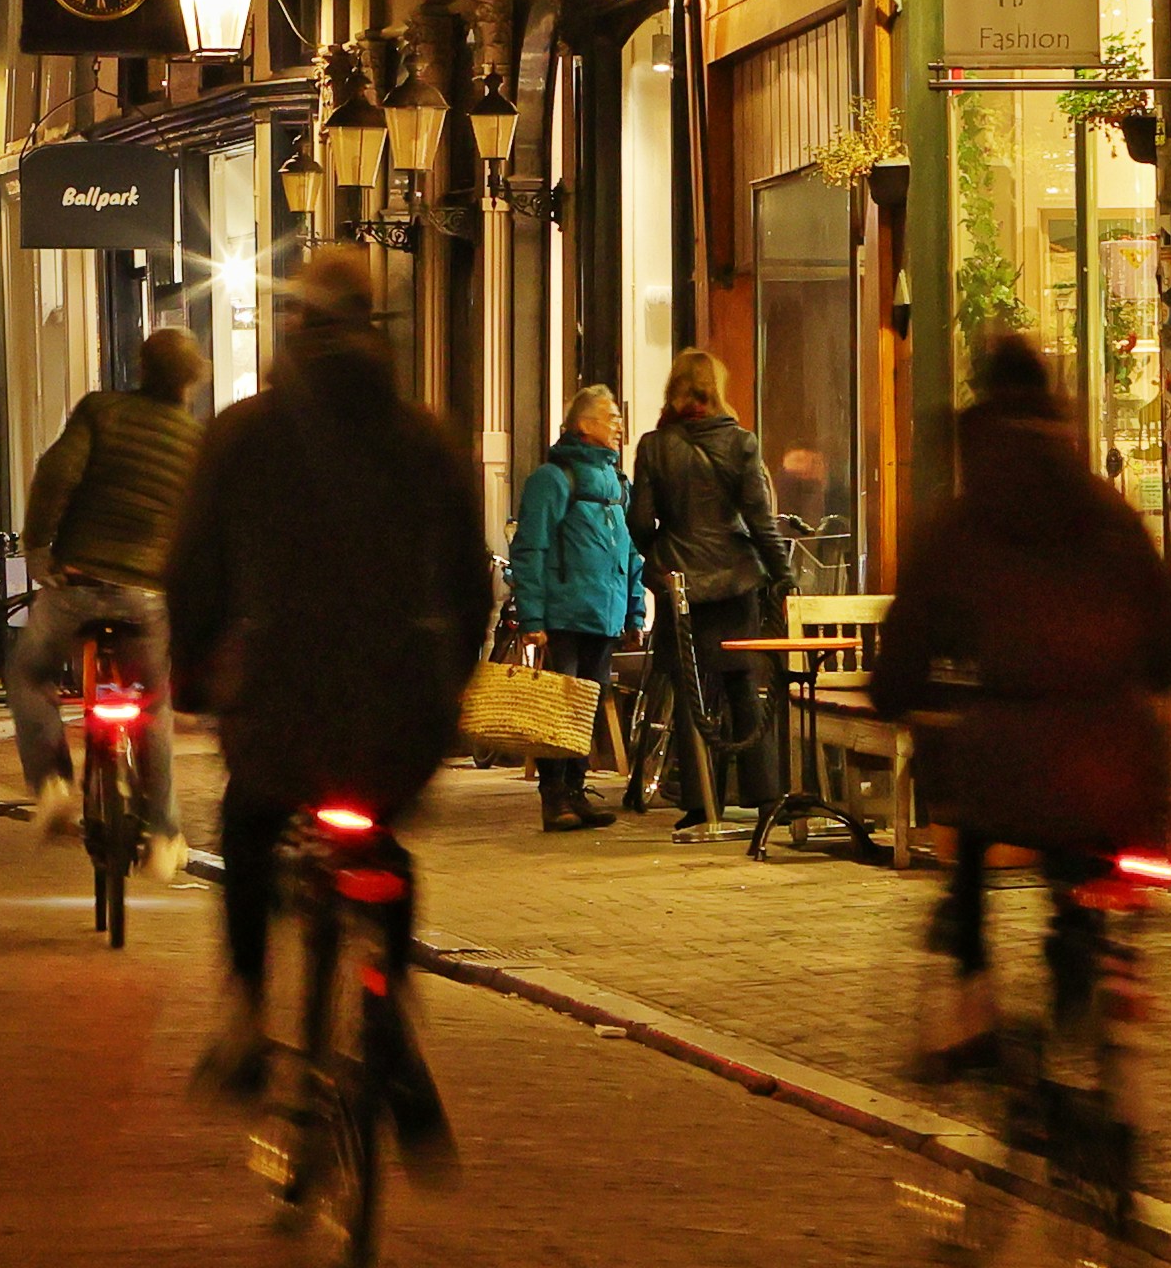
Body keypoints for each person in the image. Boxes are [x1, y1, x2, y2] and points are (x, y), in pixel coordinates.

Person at [166, 247, 487, 1143]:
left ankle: (244, 1015)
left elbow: (193, 574)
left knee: (249, 823)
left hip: (281, 706)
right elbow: (470, 583)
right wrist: (448, 684)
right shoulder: (428, 439)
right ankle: (391, 1022)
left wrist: (193, 672)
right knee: (384, 844)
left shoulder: (242, 436)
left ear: (295, 325)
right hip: (400, 713)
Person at [866, 337, 1171, 1078]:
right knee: (1087, 869)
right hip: (1119, 756)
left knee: (972, 853)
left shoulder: (967, 519)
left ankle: (971, 1005)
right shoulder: (1109, 513)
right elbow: (1168, 640)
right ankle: (1089, 991)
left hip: (1011, 753)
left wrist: (895, 692)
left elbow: (911, 634)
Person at [11, 329, 204, 863]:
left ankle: (51, 781)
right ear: (190, 382)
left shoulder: (102, 411)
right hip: (146, 593)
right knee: (154, 705)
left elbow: (56, 475)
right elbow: (201, 526)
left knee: (30, 673)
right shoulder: (196, 442)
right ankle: (165, 833)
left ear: (141, 368)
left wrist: (38, 547)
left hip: (80, 579)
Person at [630, 350, 796, 837]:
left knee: (691, 691)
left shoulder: (653, 446)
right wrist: (782, 575)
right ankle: (764, 797)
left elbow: (639, 520)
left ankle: (701, 801)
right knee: (743, 686)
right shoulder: (741, 443)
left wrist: (661, 555)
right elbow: (761, 521)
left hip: (680, 585)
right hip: (735, 581)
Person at [506, 384, 647, 834]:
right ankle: (555, 799)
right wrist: (532, 618)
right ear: (585, 426)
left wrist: (634, 613)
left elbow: (630, 554)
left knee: (585, 706)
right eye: (611, 418)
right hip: (564, 615)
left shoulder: (617, 485)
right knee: (558, 709)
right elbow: (529, 549)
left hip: (603, 617)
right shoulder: (552, 480)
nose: (619, 426)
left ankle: (576, 791)